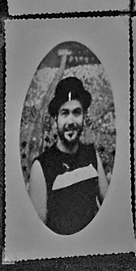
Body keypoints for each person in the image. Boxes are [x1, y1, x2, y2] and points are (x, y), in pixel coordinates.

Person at [27, 75, 109, 235]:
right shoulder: (42, 166)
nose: (71, 121)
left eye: (76, 112)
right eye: (65, 113)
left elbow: (109, 207)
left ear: (84, 117)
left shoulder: (91, 155)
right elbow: (39, 232)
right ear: (56, 119)